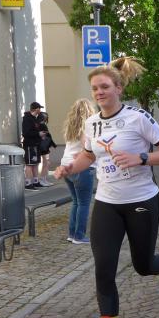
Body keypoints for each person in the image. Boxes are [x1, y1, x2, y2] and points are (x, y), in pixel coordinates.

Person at [53, 57, 159, 318]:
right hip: (107, 203)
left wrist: (141, 158)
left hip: (141, 201)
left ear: (119, 88)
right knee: (104, 269)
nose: (99, 92)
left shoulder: (139, 118)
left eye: (104, 87)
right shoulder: (91, 123)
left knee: (142, 265)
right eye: (94, 88)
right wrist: (70, 168)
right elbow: (88, 156)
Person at [60, 99, 97, 244]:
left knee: (76, 202)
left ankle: (72, 234)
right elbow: (87, 147)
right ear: (89, 111)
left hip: (66, 166)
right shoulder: (87, 126)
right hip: (81, 168)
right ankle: (79, 236)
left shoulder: (71, 127)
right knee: (83, 203)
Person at [22, 102, 45, 189]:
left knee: (36, 164)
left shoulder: (35, 119)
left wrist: (41, 134)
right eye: (39, 108)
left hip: (36, 144)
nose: (40, 110)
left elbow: (35, 130)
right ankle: (28, 183)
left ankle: (36, 182)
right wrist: (38, 134)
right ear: (36, 109)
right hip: (29, 145)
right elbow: (26, 133)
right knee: (29, 164)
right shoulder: (27, 119)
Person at [37, 111, 57, 187]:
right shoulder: (42, 125)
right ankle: (42, 180)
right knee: (46, 163)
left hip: (42, 146)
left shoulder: (38, 125)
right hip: (44, 147)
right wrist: (53, 144)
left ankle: (44, 179)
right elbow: (47, 136)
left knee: (46, 163)